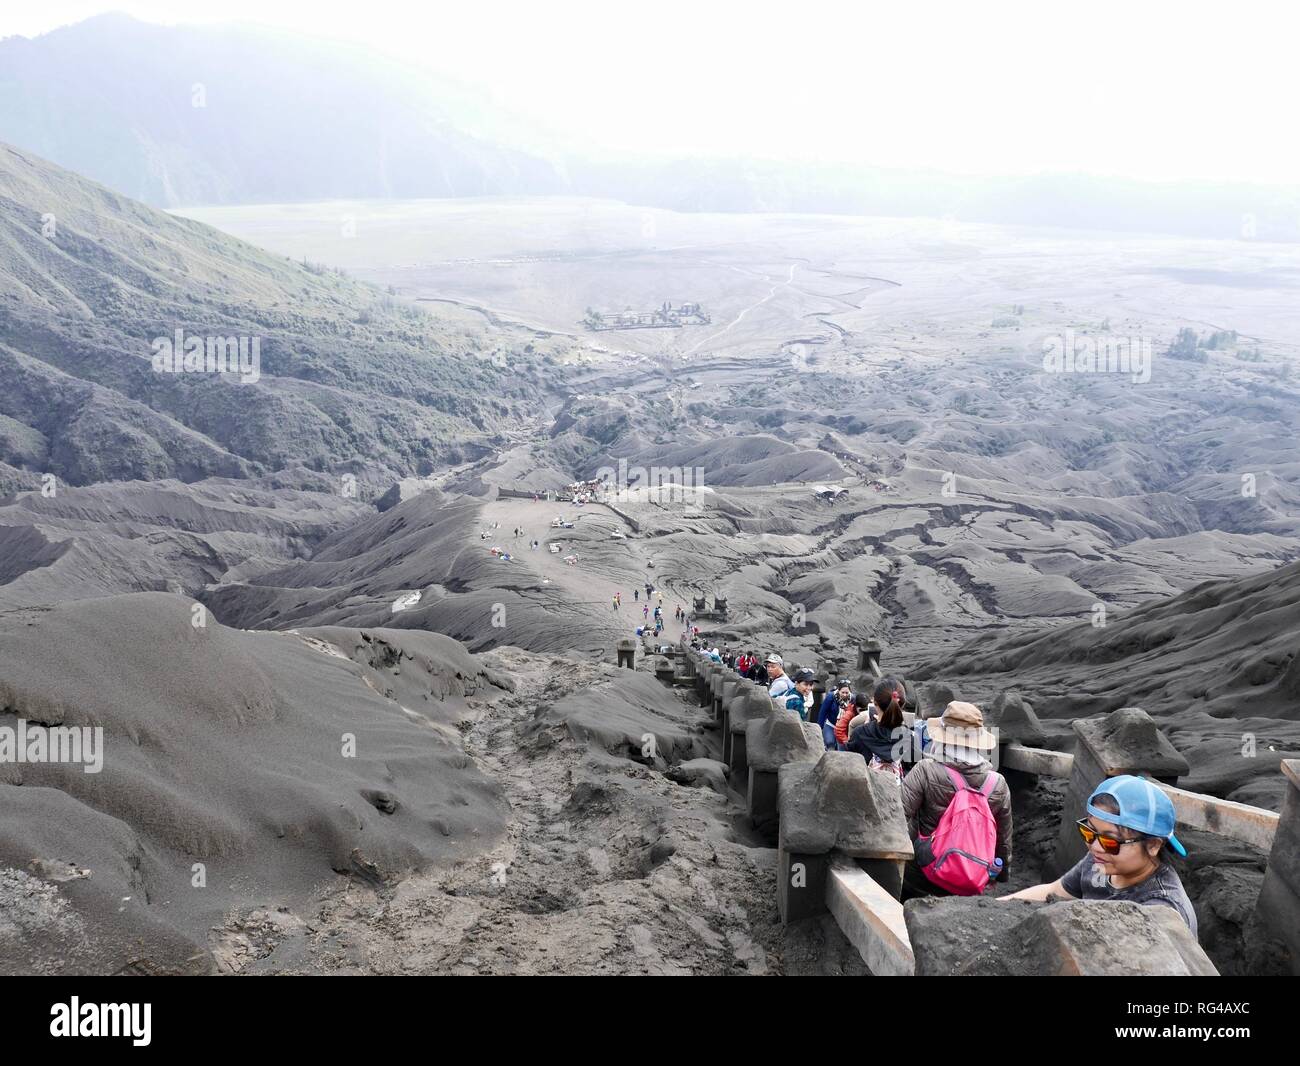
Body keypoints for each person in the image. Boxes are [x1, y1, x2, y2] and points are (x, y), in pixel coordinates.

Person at [1001, 776, 1196, 935]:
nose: (1095, 847)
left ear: (1153, 845)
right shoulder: (1102, 862)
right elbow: (1054, 890)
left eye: (1110, 841)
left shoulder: (1161, 910)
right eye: (1089, 832)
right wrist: (989, 908)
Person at [900, 701, 1012, 898]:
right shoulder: (998, 783)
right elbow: (1002, 838)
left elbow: (898, 815)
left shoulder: (926, 770)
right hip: (971, 877)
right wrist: (998, 875)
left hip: (921, 874)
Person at [845, 678, 907, 778]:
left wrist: (866, 727)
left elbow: (848, 768)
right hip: (896, 791)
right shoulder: (909, 737)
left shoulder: (860, 734)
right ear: (902, 704)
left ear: (875, 703)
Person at [817, 679, 853, 750]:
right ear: (838, 690)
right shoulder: (831, 697)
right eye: (843, 692)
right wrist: (819, 728)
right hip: (831, 724)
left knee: (843, 748)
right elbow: (823, 712)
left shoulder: (853, 699)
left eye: (847, 692)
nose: (845, 695)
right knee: (830, 743)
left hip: (844, 727)